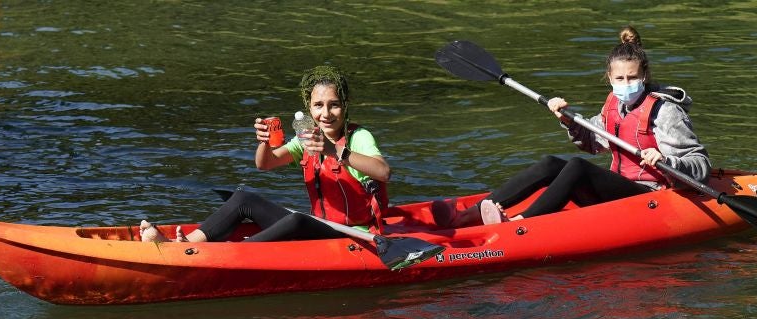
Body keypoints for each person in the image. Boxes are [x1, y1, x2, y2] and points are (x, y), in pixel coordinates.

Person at [433, 26, 711, 227]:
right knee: (551, 163)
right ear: (610, 78)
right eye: (620, 79)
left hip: (652, 196)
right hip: (621, 190)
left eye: (632, 77)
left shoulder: (665, 111)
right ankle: (472, 212)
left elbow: (700, 164)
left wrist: (667, 160)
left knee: (576, 167)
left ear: (645, 76)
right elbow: (594, 142)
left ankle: (520, 224)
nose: (626, 85)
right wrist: (569, 120)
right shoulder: (614, 103)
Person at [140, 65, 391, 243]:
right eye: (318, 105)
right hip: (323, 228)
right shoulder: (307, 139)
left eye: (333, 105)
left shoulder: (359, 137)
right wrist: (263, 142)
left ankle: (233, 255)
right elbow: (265, 164)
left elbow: (383, 172)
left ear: (344, 107)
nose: (326, 113)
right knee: (242, 198)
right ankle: (183, 245)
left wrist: (332, 149)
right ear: (309, 108)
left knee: (297, 221)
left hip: (355, 234)